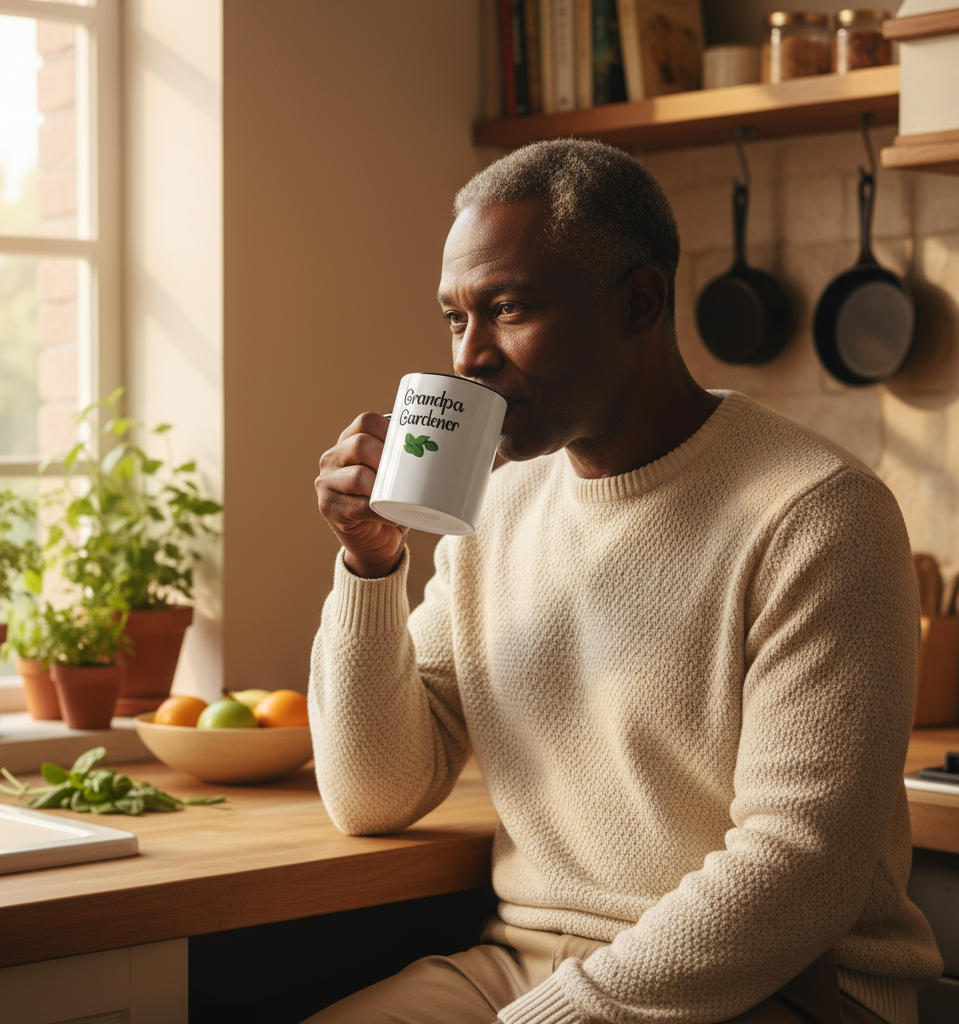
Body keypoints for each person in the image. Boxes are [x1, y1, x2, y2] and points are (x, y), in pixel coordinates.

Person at [308, 139, 941, 1024]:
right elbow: (371, 795)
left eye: (509, 309)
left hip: (777, 984)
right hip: (519, 964)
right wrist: (370, 564)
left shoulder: (818, 515)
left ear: (638, 302)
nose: (470, 356)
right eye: (456, 317)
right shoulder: (492, 504)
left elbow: (801, 868)